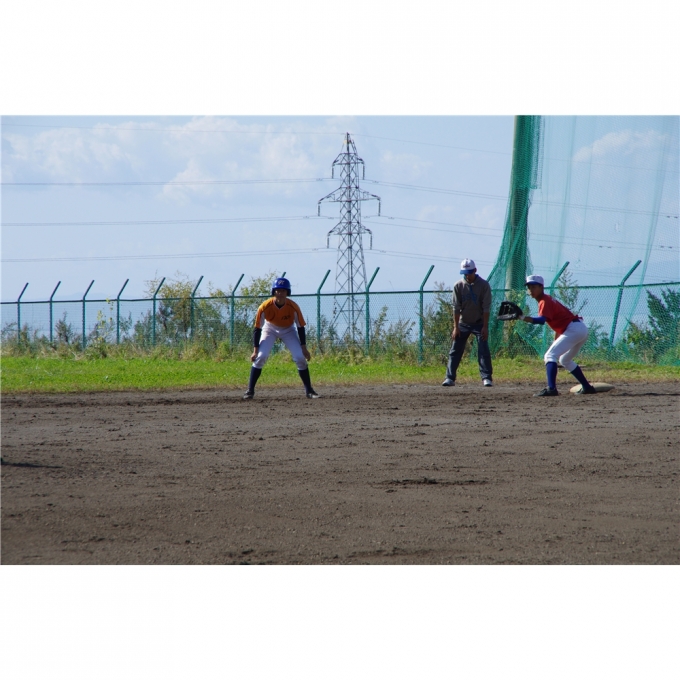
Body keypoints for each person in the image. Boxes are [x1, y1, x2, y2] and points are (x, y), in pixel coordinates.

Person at [520, 274, 597, 396]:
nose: (530, 290)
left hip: (574, 329)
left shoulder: (544, 301)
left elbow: (541, 321)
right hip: (579, 328)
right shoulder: (547, 299)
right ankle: (587, 387)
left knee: (550, 355)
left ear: (541, 287)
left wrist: (522, 317)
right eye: (529, 287)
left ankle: (551, 389)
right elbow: (560, 323)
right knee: (564, 359)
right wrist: (556, 341)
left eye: (533, 287)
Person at [243, 277, 320, 400]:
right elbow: (257, 328)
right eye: (278, 290)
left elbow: (300, 327)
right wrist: (255, 351)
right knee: (261, 357)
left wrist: (304, 348)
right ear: (274, 291)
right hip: (270, 328)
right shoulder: (264, 306)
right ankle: (250, 391)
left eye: (283, 290)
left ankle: (309, 391)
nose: (280, 293)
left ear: (287, 292)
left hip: (288, 329)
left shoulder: (293, 306)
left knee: (300, 357)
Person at [442, 258, 493, 388]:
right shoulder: (458, 286)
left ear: (475, 270)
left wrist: (485, 327)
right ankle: (449, 378)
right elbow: (456, 308)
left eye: (469, 273)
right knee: (455, 350)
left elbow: (486, 308)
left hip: (479, 323)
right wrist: (456, 327)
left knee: (483, 350)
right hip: (463, 323)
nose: (467, 275)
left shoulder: (484, 285)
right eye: (465, 273)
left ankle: (486, 378)